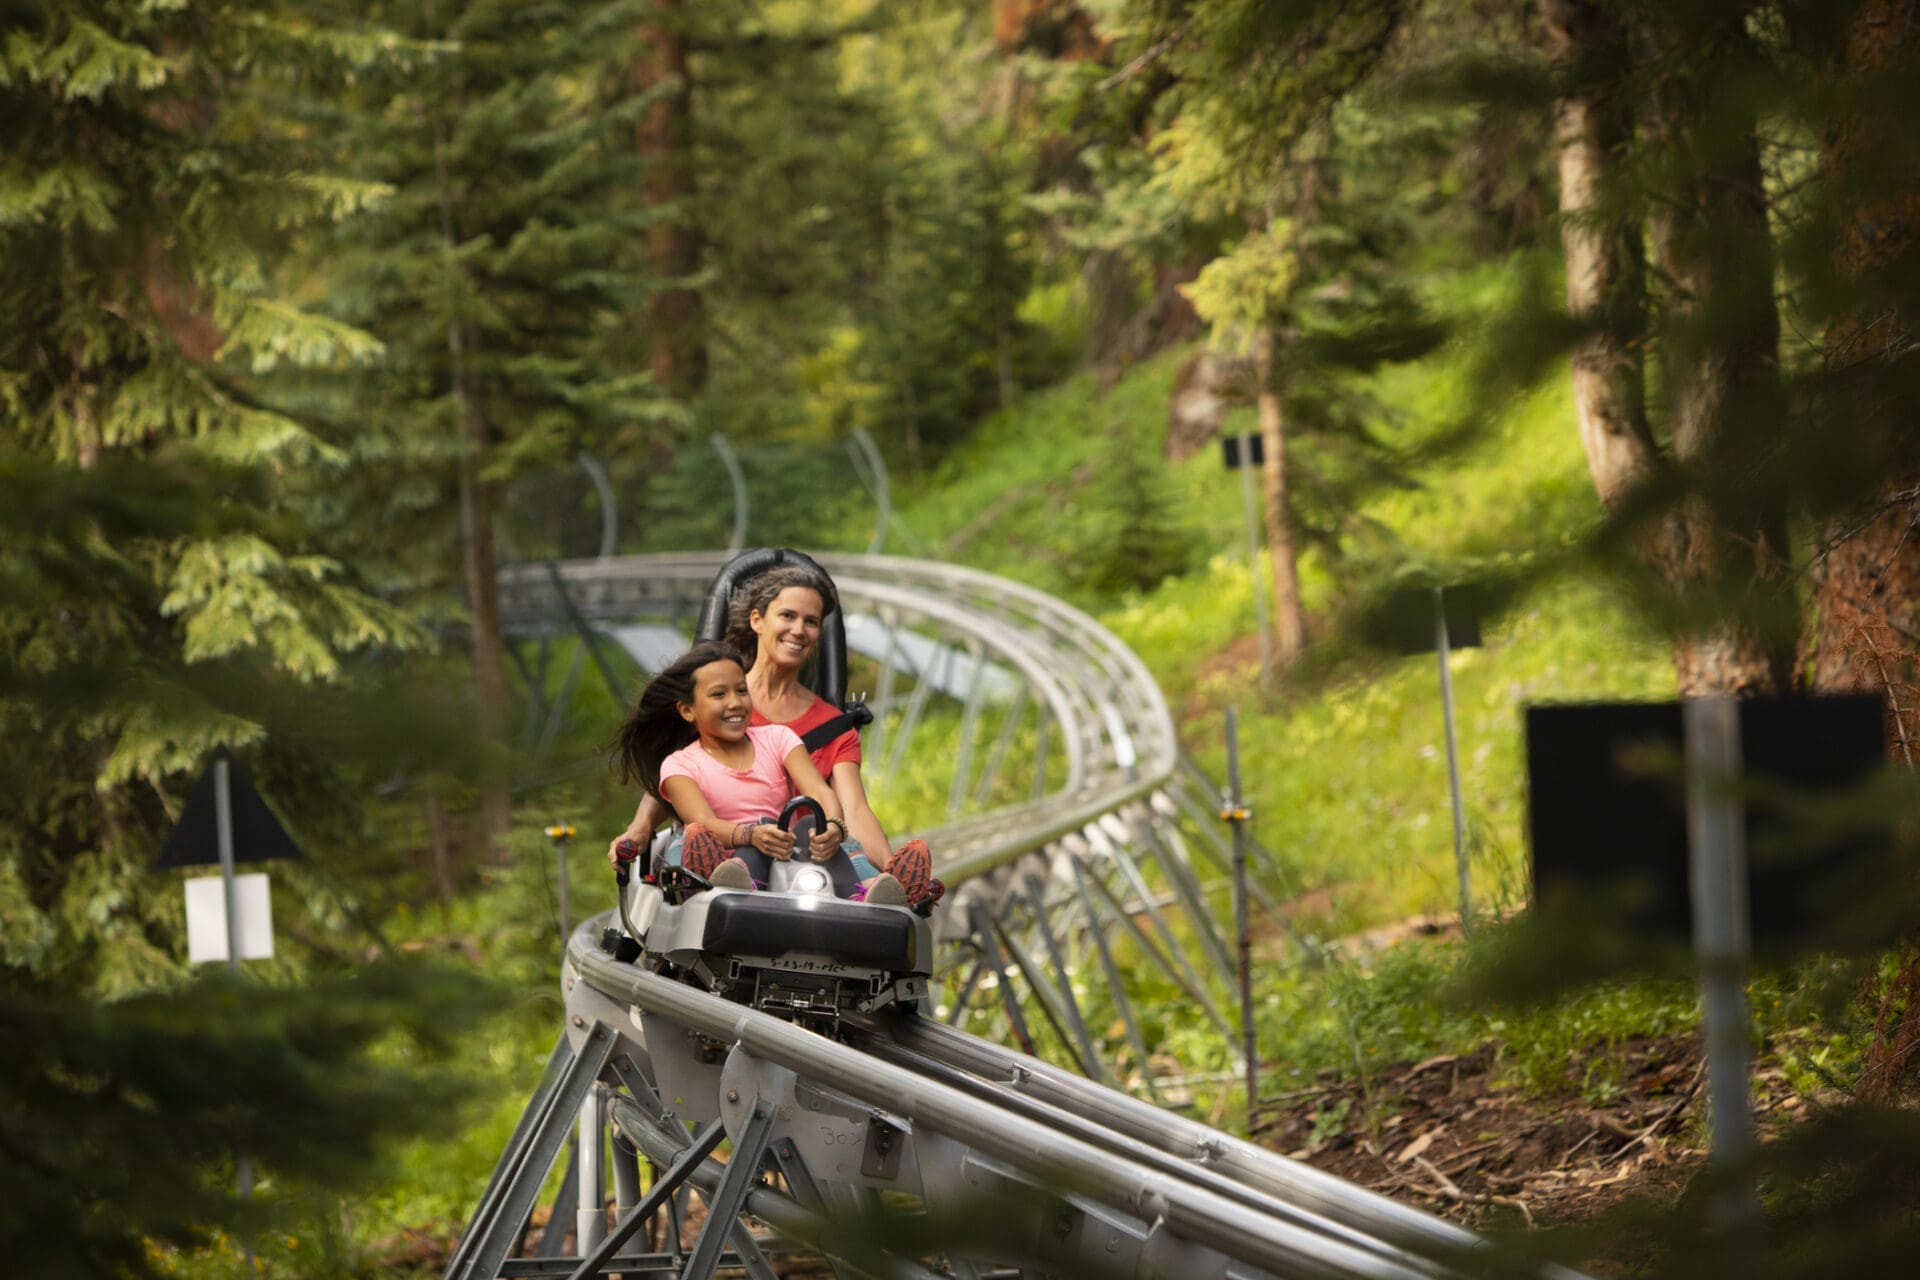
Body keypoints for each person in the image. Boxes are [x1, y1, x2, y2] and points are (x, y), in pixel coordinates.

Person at [609, 565, 939, 909]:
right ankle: (706, 882)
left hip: (799, 858)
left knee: (822, 841)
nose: (799, 629)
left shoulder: (825, 728)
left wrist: (888, 868)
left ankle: (885, 888)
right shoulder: (715, 705)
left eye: (811, 621)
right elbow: (676, 774)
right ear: (757, 621)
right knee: (712, 843)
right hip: (726, 837)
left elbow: (853, 809)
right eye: (787, 616)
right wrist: (640, 827)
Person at [612, 640, 912, 903]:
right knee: (719, 835)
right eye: (719, 695)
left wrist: (832, 825)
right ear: (688, 710)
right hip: (721, 849)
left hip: (777, 846)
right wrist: (750, 834)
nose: (735, 703)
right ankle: (720, 884)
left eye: (741, 691)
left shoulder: (778, 738)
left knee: (811, 823)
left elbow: (819, 791)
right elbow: (701, 820)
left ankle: (870, 891)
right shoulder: (679, 765)